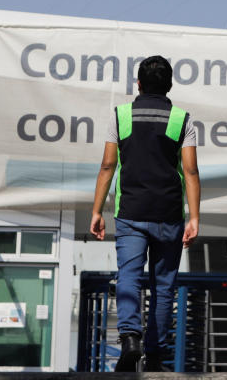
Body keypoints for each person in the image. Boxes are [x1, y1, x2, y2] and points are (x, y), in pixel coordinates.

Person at [90, 55, 201, 372]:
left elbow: (108, 165)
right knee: (164, 287)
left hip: (131, 212)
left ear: (138, 84)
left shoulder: (121, 114)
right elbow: (190, 171)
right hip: (169, 214)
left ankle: (129, 338)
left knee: (129, 276)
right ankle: (154, 357)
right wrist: (194, 217)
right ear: (169, 85)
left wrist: (97, 210)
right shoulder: (183, 119)